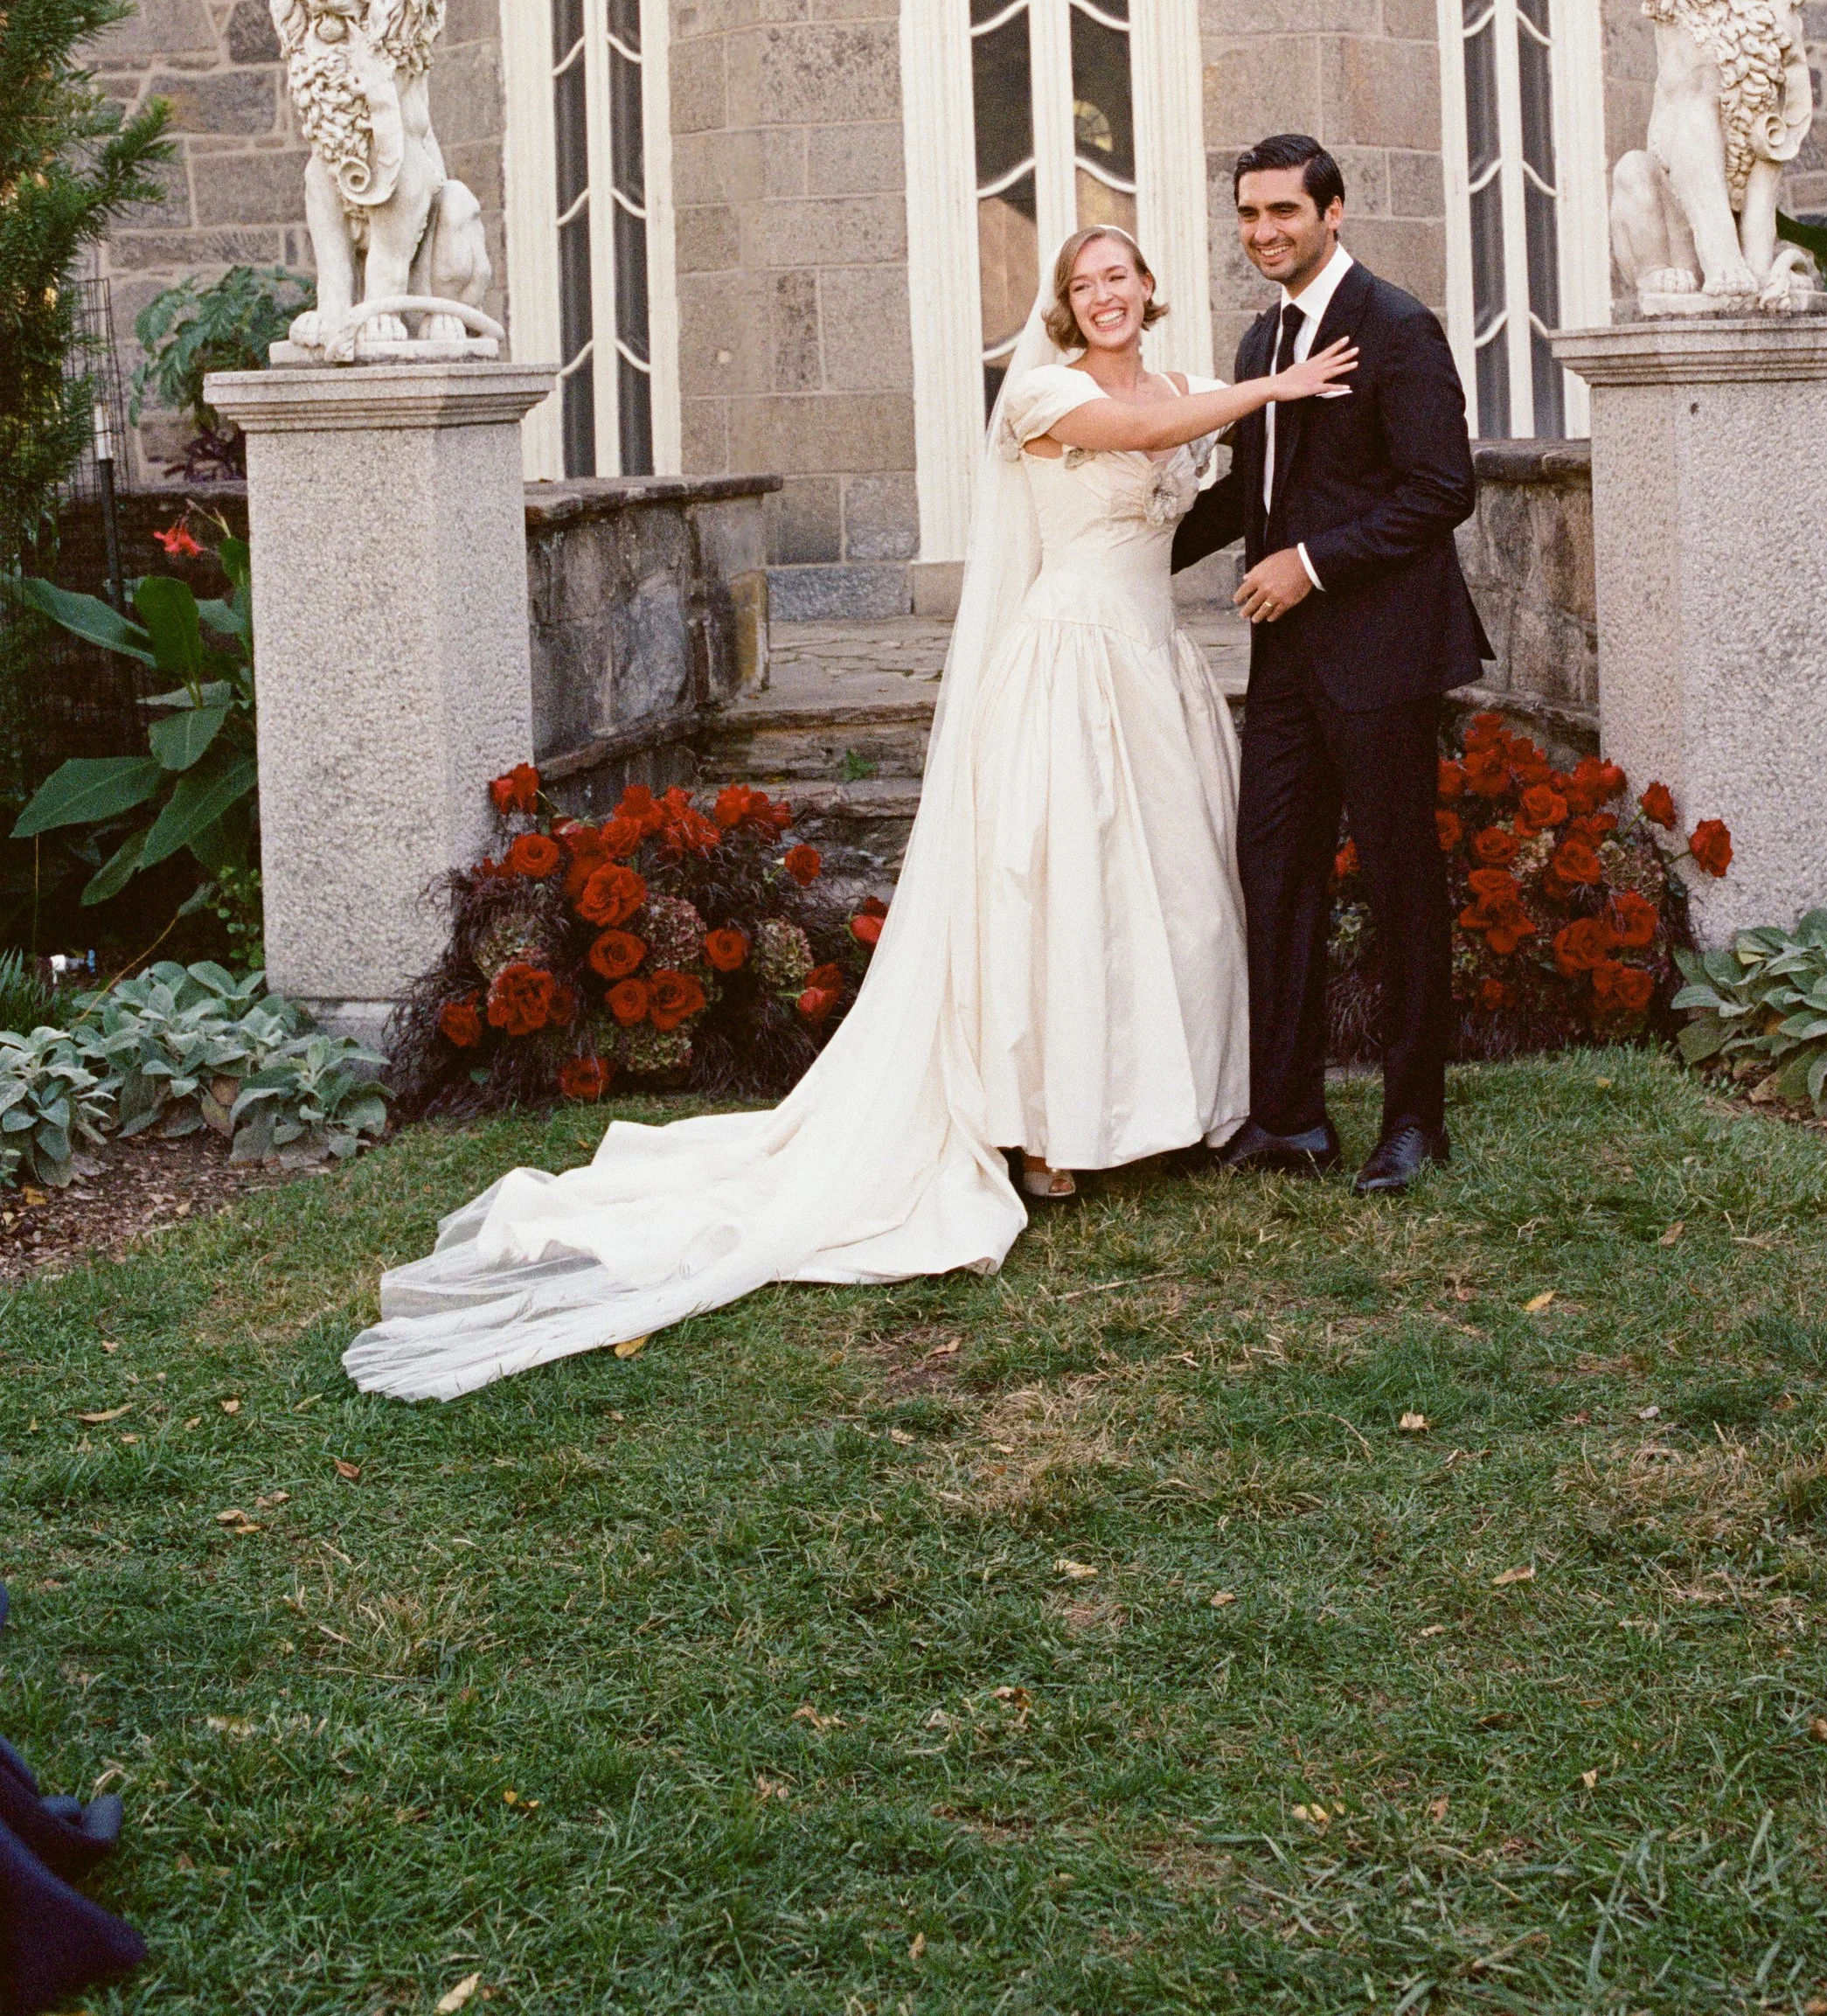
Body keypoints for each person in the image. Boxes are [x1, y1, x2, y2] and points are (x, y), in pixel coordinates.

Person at [343, 225, 1356, 1399]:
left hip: (1152, 664)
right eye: (1085, 283)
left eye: (1122, 273)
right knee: (1063, 890)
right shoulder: (1044, 391)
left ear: (1148, 285)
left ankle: (1164, 1110)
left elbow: (1206, 475)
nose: (1108, 293)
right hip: (1069, 662)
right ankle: (1048, 1130)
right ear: (1066, 307)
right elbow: (1135, 437)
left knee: (1172, 895)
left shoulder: (1186, 384)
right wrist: (1278, 381)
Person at [1170, 136, 1483, 1195]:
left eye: (1283, 214)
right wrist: (1116, 544)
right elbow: (1244, 492)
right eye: (1249, 216)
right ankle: (1291, 1116)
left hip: (1384, 655)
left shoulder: (1395, 326)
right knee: (1275, 876)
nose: (1264, 234)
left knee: (1401, 888)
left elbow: (1441, 487)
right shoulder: (1263, 339)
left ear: (1333, 210)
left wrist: (1307, 563)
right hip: (1287, 669)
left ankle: (1413, 1121)